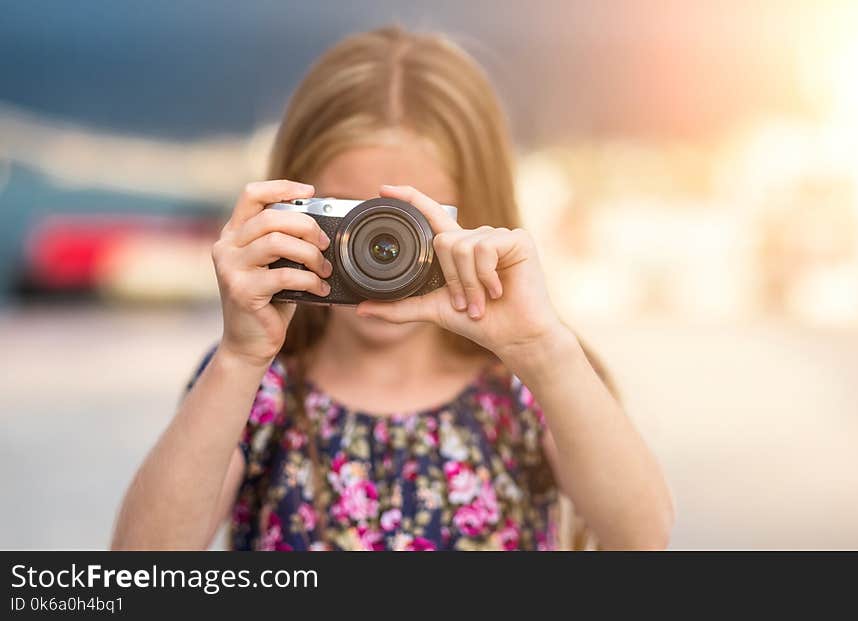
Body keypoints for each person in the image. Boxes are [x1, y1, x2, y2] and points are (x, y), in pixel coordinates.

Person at [111, 26, 673, 551]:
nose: (373, 255)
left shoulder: (534, 383)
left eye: (404, 226)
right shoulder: (256, 389)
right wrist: (239, 357)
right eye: (345, 217)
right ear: (291, 209)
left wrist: (541, 351)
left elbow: (642, 537)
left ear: (476, 220)